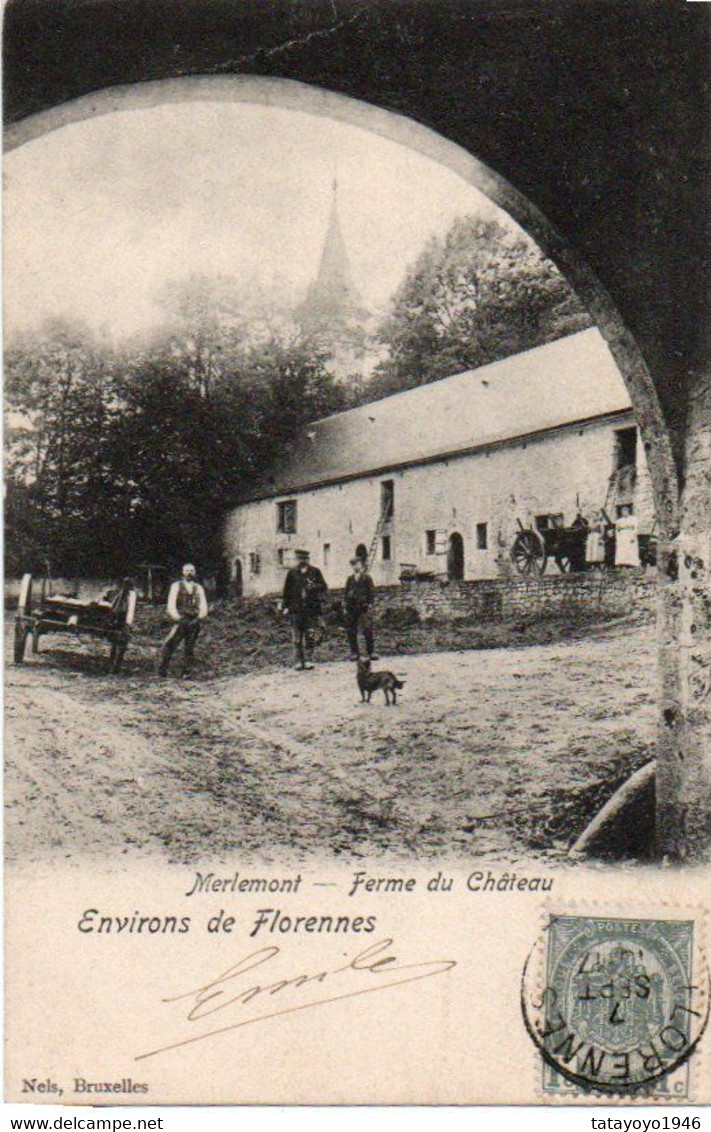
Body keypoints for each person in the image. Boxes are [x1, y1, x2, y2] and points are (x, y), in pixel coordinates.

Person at [158, 563, 208, 677]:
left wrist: (199, 618)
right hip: (181, 619)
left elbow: (203, 605)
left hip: (194, 620)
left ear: (194, 573)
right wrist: (177, 618)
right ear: (183, 572)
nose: (189, 573)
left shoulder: (199, 588)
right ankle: (163, 668)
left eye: (191, 571)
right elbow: (171, 604)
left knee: (189, 647)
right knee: (171, 644)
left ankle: (186, 672)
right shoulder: (176, 586)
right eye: (187, 571)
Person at [282, 549, 327, 671]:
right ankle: (298, 661)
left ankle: (308, 660)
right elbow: (286, 591)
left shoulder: (315, 572)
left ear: (308, 559)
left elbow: (324, 586)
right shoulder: (292, 573)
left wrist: (314, 587)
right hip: (296, 610)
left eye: (304, 559)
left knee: (310, 635)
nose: (302, 561)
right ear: (297, 559)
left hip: (311, 610)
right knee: (296, 638)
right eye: (299, 558)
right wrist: (286, 606)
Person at [344, 553, 378, 661]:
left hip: (364, 607)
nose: (355, 566)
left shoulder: (367, 578)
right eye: (353, 564)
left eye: (356, 564)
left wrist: (370, 604)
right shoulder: (350, 579)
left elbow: (371, 592)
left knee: (367, 629)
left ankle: (371, 652)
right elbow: (346, 593)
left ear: (362, 565)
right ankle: (354, 652)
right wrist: (346, 603)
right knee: (351, 630)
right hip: (352, 608)